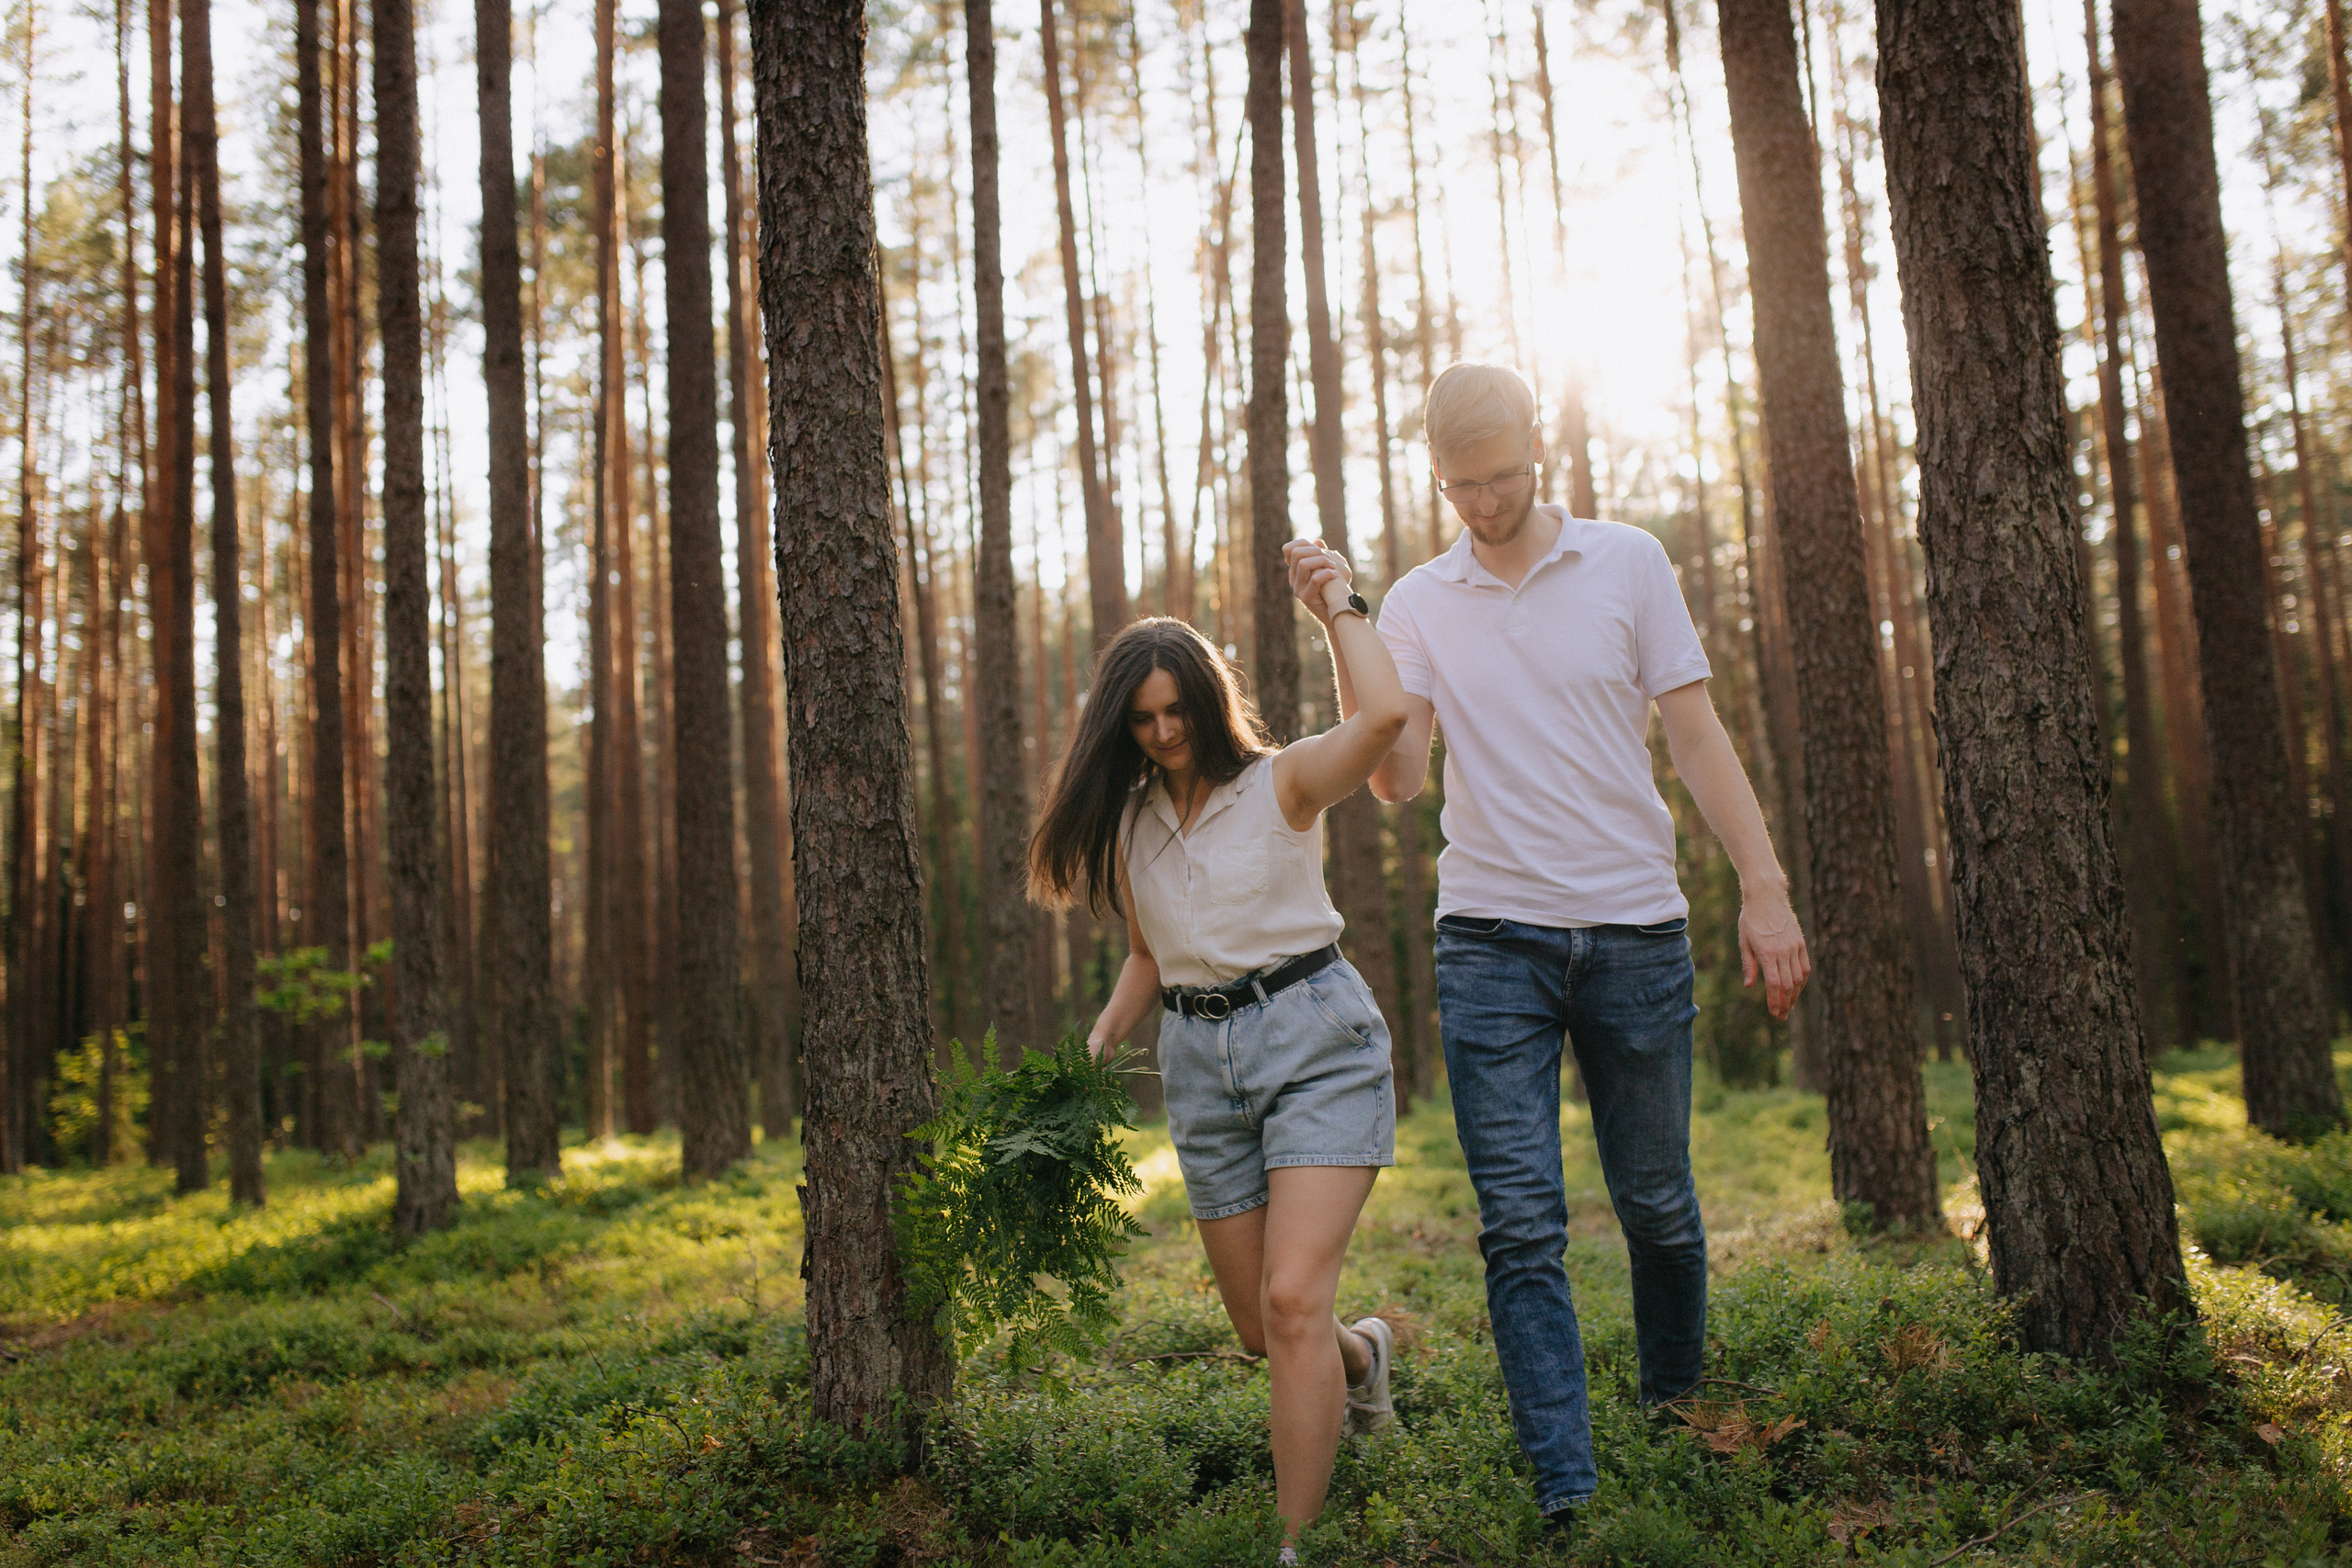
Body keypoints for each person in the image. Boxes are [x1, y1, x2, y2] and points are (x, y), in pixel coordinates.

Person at [1288, 361, 1813, 1534]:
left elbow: (1694, 731)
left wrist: (1764, 889)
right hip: (1489, 942)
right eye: (1459, 487)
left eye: (1502, 477)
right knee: (1519, 1224)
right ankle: (1567, 1490)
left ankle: (1675, 1418)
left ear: (1540, 450)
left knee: (1659, 1205)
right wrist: (1345, 622)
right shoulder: (1420, 600)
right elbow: (1393, 773)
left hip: (1635, 930)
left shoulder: (1627, 561)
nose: (1483, 503)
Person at [1029, 592, 1411, 1564]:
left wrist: (1339, 613)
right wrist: (1106, 1031)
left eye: (1176, 711)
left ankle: (1291, 1547)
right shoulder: (1131, 822)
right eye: (1142, 719)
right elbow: (1152, 953)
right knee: (1260, 1328)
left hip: (1314, 1042)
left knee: (1291, 1303)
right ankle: (1361, 1355)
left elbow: (1382, 719)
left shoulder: (1282, 783)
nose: (1161, 733)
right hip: (1200, 1066)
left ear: (1206, 698)